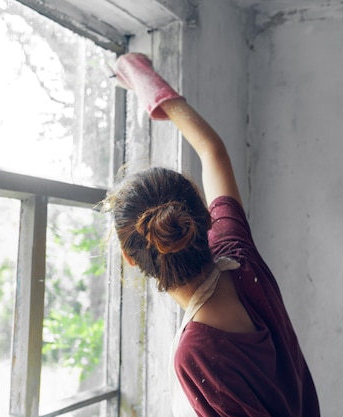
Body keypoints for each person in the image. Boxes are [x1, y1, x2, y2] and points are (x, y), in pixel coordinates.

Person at [107, 53, 320, 417]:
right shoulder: (238, 252)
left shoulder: (196, 352)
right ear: (205, 217)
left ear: (129, 257)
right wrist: (144, 77)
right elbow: (212, 149)